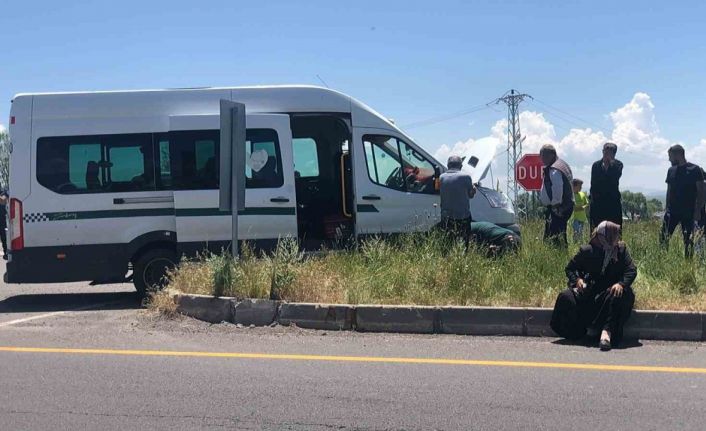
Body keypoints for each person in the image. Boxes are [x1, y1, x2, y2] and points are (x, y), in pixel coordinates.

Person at [550, 221, 637, 351]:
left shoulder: (621, 250)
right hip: (590, 293)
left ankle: (606, 333)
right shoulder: (587, 251)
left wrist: (621, 284)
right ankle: (578, 332)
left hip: (610, 292)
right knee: (566, 297)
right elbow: (570, 268)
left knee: (620, 294)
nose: (616, 238)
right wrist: (577, 280)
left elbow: (631, 270)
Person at [660, 145, 705, 257]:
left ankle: (688, 266)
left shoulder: (695, 170)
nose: (669, 159)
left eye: (670, 156)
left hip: (688, 212)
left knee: (688, 241)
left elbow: (701, 192)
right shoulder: (671, 171)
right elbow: (669, 191)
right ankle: (662, 260)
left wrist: (698, 210)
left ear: (678, 155)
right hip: (672, 211)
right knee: (663, 238)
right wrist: (666, 209)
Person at [538, 145, 574, 247]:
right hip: (564, 205)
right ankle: (560, 254)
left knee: (554, 237)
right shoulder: (562, 164)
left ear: (551, 155)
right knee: (559, 234)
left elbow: (558, 187)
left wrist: (555, 205)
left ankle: (558, 256)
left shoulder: (555, 169)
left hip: (558, 207)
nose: (542, 159)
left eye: (543, 156)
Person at [439, 155, 476, 245]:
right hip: (463, 216)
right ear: (461, 166)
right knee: (464, 241)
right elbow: (470, 195)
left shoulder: (441, 177)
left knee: (448, 242)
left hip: (446, 216)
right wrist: (474, 190)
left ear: (448, 166)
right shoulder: (466, 177)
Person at [589, 142, 624, 229]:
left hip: (612, 204)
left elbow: (614, 179)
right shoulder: (596, 165)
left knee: (614, 231)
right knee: (596, 231)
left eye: (609, 153)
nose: (606, 155)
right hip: (597, 204)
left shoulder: (618, 165)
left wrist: (609, 164)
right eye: (605, 152)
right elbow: (593, 184)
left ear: (614, 154)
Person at [0, 188, 7, 259]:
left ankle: (6, 253)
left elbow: (3, 201)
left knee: (4, 239)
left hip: (2, 221)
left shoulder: (3, 194)